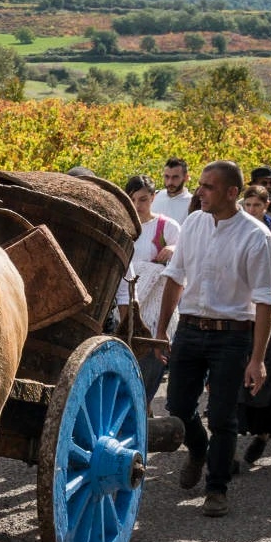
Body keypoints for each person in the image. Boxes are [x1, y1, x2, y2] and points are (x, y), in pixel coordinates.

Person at [158, 161, 271, 517]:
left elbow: (265, 301)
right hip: (190, 329)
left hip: (232, 336)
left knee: (223, 416)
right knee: (178, 407)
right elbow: (175, 277)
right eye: (200, 185)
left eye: (208, 187)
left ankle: (217, 487)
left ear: (232, 192)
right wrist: (161, 330)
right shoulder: (193, 223)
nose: (200, 192)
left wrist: (257, 360)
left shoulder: (257, 236)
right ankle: (198, 449)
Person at [119, 175, 179, 410]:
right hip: (126, 303)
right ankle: (135, 411)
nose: (137, 205)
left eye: (143, 199)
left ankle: (142, 408)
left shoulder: (167, 227)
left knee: (152, 361)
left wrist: (173, 248)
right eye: (132, 199)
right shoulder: (124, 228)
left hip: (156, 308)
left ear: (154, 197)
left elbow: (183, 263)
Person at [156, 157, 195, 223]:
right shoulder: (154, 196)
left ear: (186, 178)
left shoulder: (193, 204)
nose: (170, 182)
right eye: (167, 177)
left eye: (175, 177)